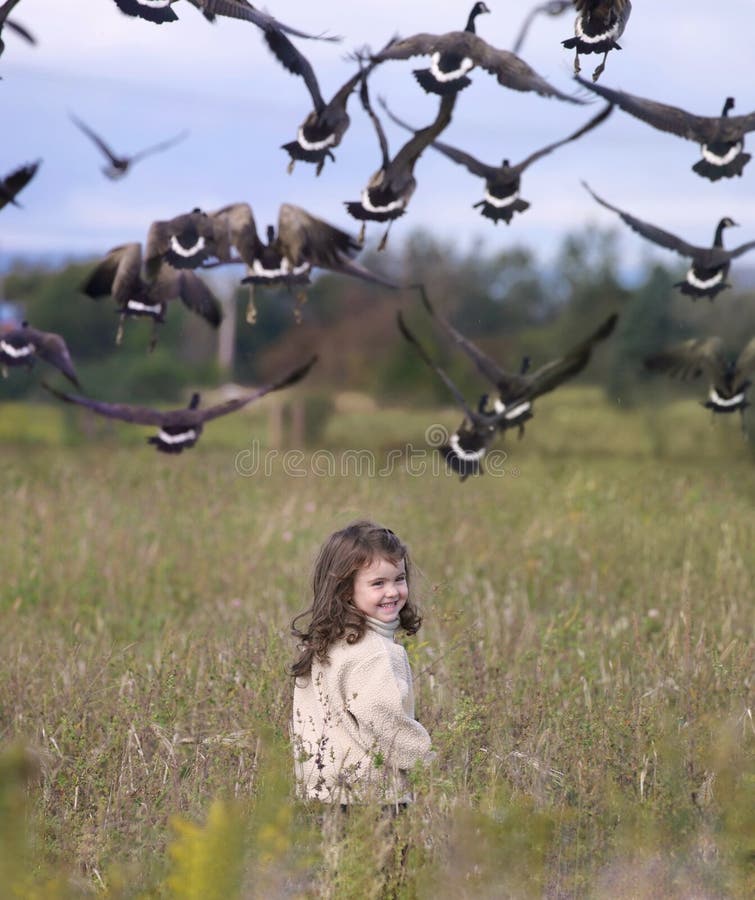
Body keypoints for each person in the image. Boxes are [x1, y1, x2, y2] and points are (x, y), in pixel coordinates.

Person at [290, 520, 434, 807]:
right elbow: (383, 722)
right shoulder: (373, 652)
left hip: (319, 793)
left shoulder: (326, 643)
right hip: (371, 798)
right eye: (378, 583)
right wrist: (427, 759)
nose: (392, 591)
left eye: (399, 579)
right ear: (346, 591)